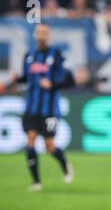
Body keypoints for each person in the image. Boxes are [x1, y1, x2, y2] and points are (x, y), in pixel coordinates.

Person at [6, 23, 74, 191]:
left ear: (49, 35)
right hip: (31, 108)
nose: (41, 35)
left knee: (49, 146)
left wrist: (51, 84)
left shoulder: (57, 54)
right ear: (35, 35)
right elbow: (27, 78)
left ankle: (64, 163)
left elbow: (69, 79)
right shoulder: (29, 55)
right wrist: (17, 79)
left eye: (44, 32)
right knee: (30, 141)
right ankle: (36, 182)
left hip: (49, 109)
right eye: (38, 32)